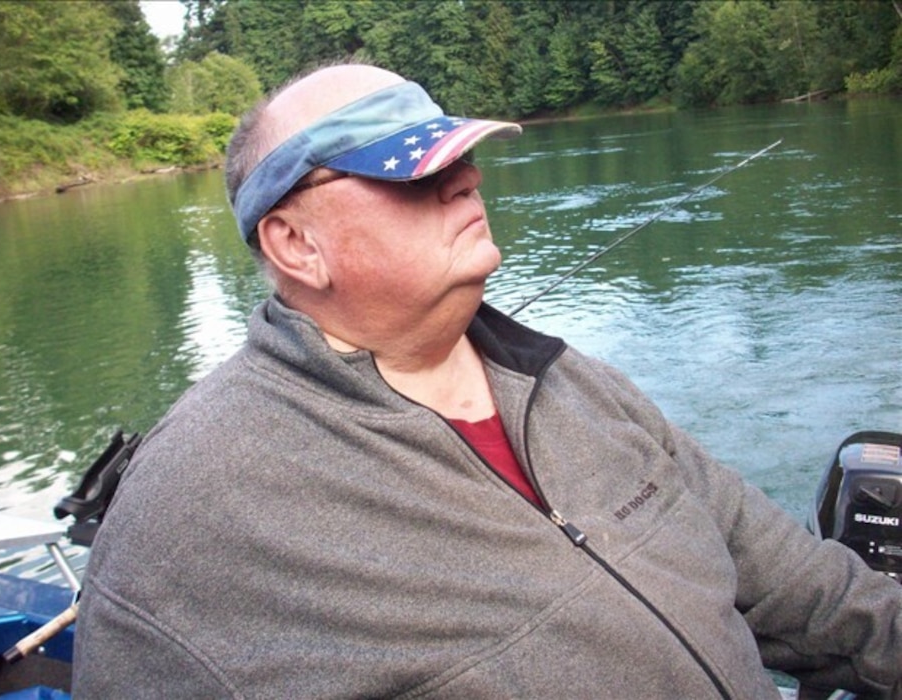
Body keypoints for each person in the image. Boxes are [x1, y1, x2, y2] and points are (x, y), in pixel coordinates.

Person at [73, 63, 901, 699]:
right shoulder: (190, 509)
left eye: (458, 155)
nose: (463, 179)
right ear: (296, 246)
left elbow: (806, 593)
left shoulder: (573, 384)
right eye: (410, 171)